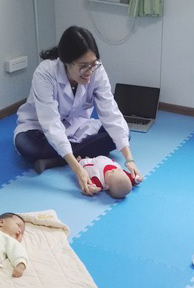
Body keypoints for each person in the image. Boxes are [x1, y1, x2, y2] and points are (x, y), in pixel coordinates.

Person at [14, 25, 142, 196]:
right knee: (27, 147)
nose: (89, 71)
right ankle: (74, 156)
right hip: (40, 129)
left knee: (124, 135)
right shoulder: (45, 73)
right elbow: (51, 124)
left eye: (93, 64)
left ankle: (54, 160)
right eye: (83, 66)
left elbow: (110, 111)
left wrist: (129, 160)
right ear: (67, 61)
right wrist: (78, 170)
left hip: (76, 125)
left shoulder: (97, 70)